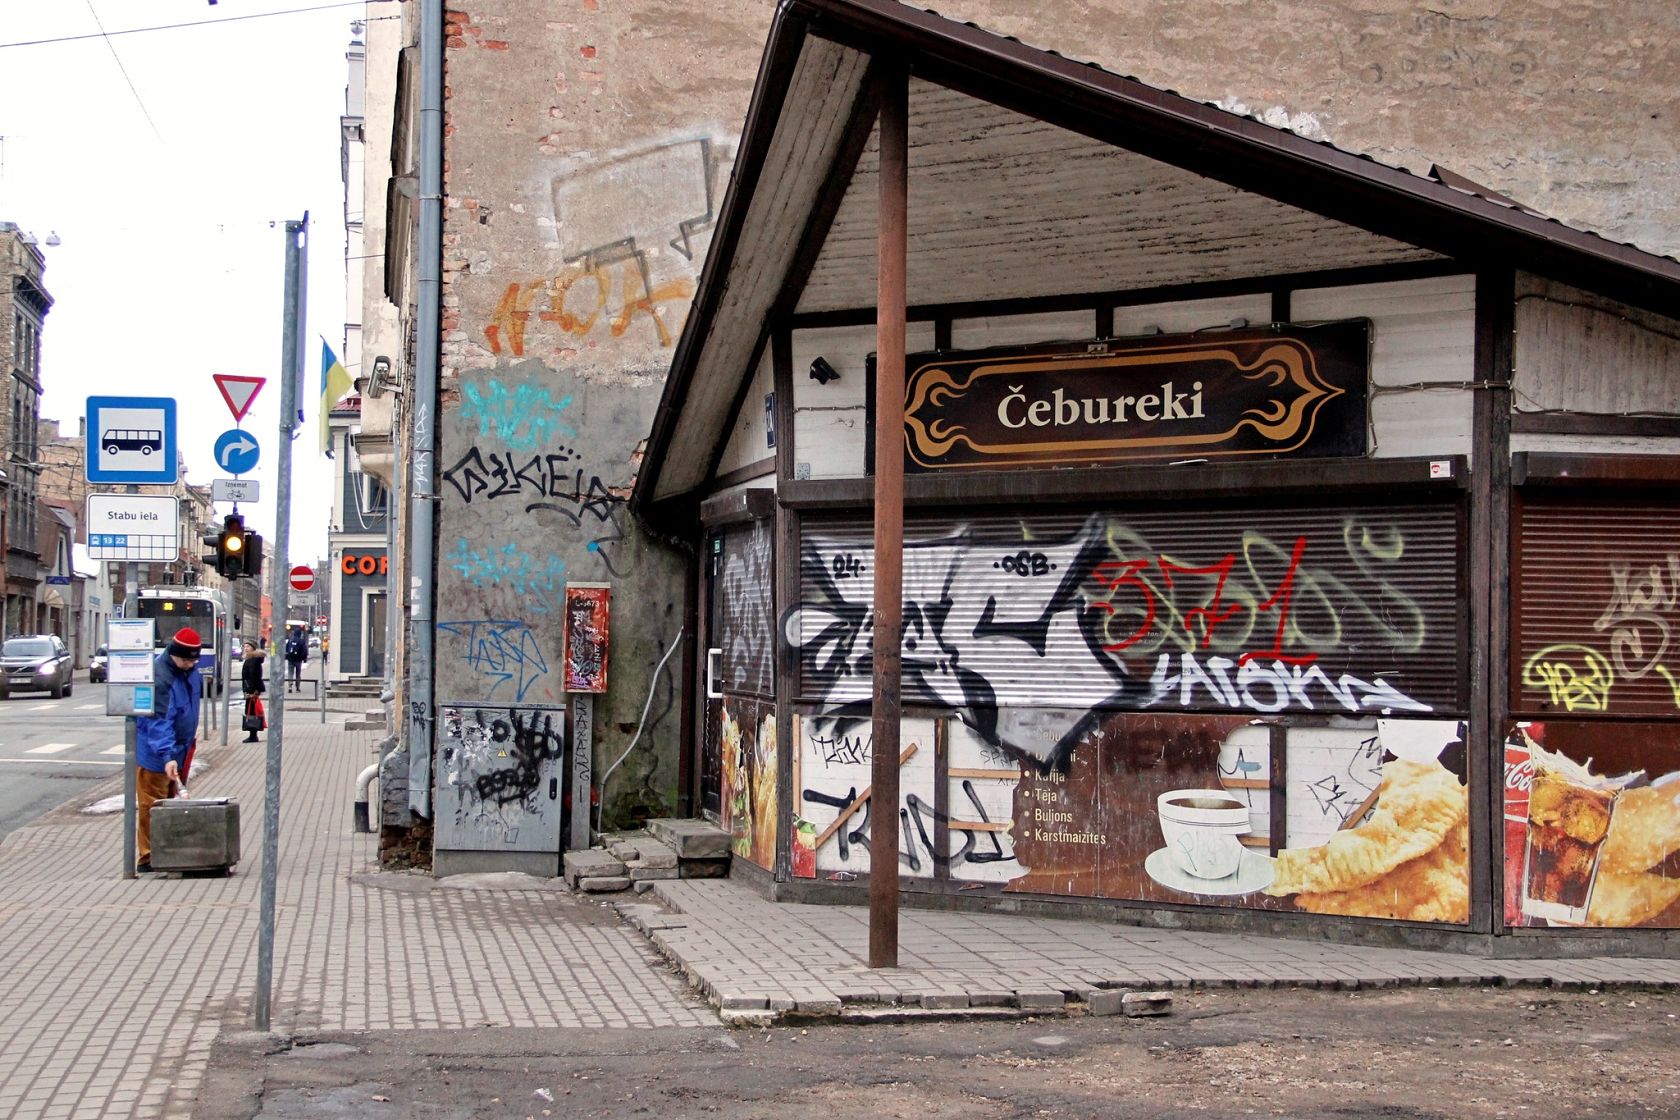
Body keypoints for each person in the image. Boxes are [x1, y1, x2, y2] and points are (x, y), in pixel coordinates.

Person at [134, 627, 202, 874]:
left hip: (179, 749)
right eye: (186, 660)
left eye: (194, 660)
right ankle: (149, 856)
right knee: (152, 804)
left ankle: (167, 850)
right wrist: (167, 756)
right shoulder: (160, 678)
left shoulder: (190, 672)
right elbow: (158, 722)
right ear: (174, 654)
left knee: (170, 802)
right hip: (155, 754)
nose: (190, 664)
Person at [241, 639, 266, 742]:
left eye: (248, 646)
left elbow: (254, 676)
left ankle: (253, 735)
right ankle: (252, 734)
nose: (246, 648)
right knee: (250, 711)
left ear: (253, 648)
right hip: (250, 689)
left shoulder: (253, 660)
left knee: (252, 712)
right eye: (245, 646)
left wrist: (253, 690)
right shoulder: (250, 659)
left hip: (252, 690)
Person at [284, 625, 308, 693]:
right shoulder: (301, 641)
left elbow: (286, 649)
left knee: (290, 672)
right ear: (300, 634)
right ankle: (297, 687)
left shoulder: (290, 640)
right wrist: (304, 659)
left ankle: (290, 686)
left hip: (290, 659)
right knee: (298, 673)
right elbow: (304, 651)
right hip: (298, 659)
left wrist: (286, 657)